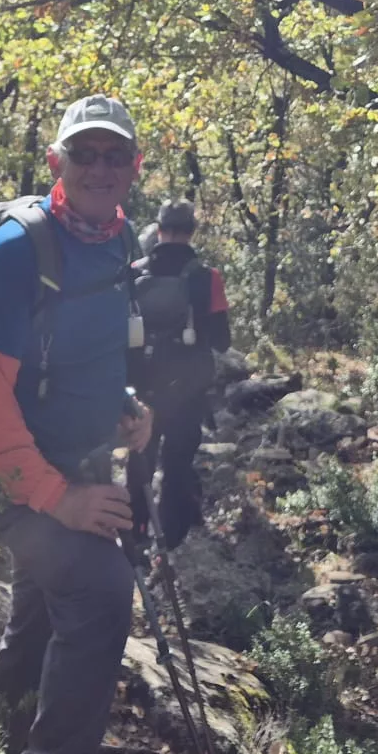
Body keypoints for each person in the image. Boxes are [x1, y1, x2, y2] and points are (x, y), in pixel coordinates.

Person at [0, 93, 155, 754]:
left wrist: (122, 409)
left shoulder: (118, 242)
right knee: (99, 590)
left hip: (68, 460)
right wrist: (57, 498)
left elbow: (87, 352)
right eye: (84, 153)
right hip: (4, 473)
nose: (100, 167)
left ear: (135, 166)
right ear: (55, 162)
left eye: (114, 155)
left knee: (38, 614)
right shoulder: (16, 252)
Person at [126, 198, 232, 546]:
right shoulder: (207, 277)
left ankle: (135, 534)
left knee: (140, 455)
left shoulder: (134, 271)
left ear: (159, 230)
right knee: (178, 460)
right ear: (191, 232)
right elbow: (221, 340)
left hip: (142, 384)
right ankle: (170, 540)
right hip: (187, 388)